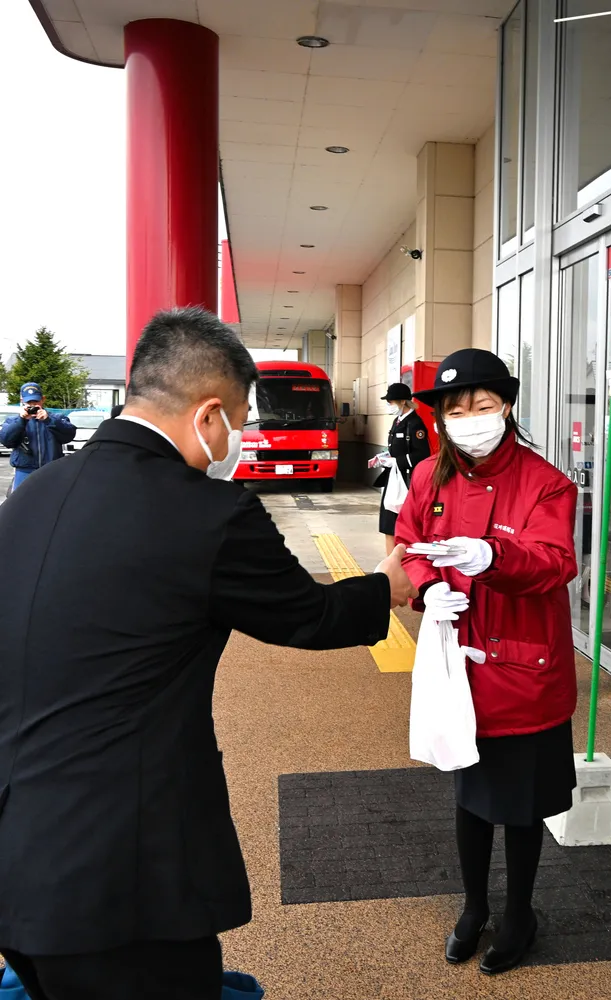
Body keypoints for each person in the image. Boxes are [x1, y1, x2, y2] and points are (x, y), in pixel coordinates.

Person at [0, 307, 415, 1000]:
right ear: (209, 414)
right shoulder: (206, 512)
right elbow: (306, 615)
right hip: (122, 877)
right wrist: (386, 586)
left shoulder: (33, 495)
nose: (235, 439)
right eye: (241, 421)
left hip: (18, 859)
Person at [395, 348, 578, 976]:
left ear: (506, 408)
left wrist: (491, 557)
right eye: (456, 410)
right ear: (440, 418)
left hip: (525, 668)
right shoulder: (429, 476)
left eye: (482, 405)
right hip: (459, 664)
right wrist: (427, 588)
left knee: (521, 805)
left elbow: (555, 562)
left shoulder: (546, 482)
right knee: (469, 794)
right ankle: (474, 908)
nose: (469, 419)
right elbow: (410, 544)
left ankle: (519, 914)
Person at [376, 382, 430, 555]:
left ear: (403, 402)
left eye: (391, 402)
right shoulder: (397, 421)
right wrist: (383, 458)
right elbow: (395, 449)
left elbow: (422, 454)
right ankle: (390, 562)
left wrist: (397, 462)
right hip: (394, 479)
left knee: (404, 525)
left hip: (407, 481)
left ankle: (403, 562)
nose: (389, 405)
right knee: (388, 525)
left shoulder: (415, 424)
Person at [0, 383, 76, 492]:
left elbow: (69, 435)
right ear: (22, 400)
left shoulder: (56, 418)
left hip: (51, 471)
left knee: (53, 501)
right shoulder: (13, 421)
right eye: (29, 402)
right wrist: (22, 421)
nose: (32, 405)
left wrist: (49, 420)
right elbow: (6, 441)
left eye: (36, 402)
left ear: (43, 399)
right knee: (22, 501)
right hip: (24, 472)